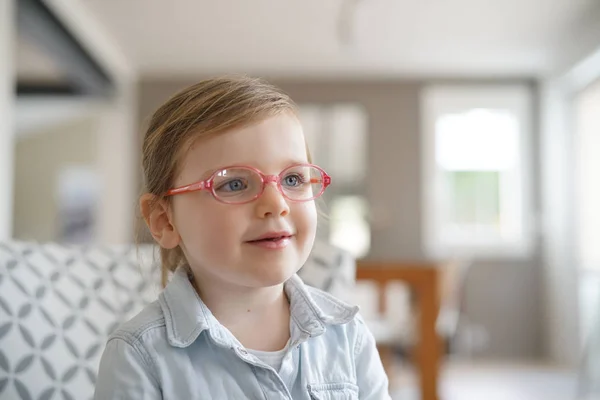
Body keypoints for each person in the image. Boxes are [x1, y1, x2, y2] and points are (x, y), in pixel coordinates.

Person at [94, 76, 391, 399]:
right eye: (234, 184)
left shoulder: (348, 336)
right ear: (165, 220)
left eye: (293, 178)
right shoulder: (140, 356)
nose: (276, 205)